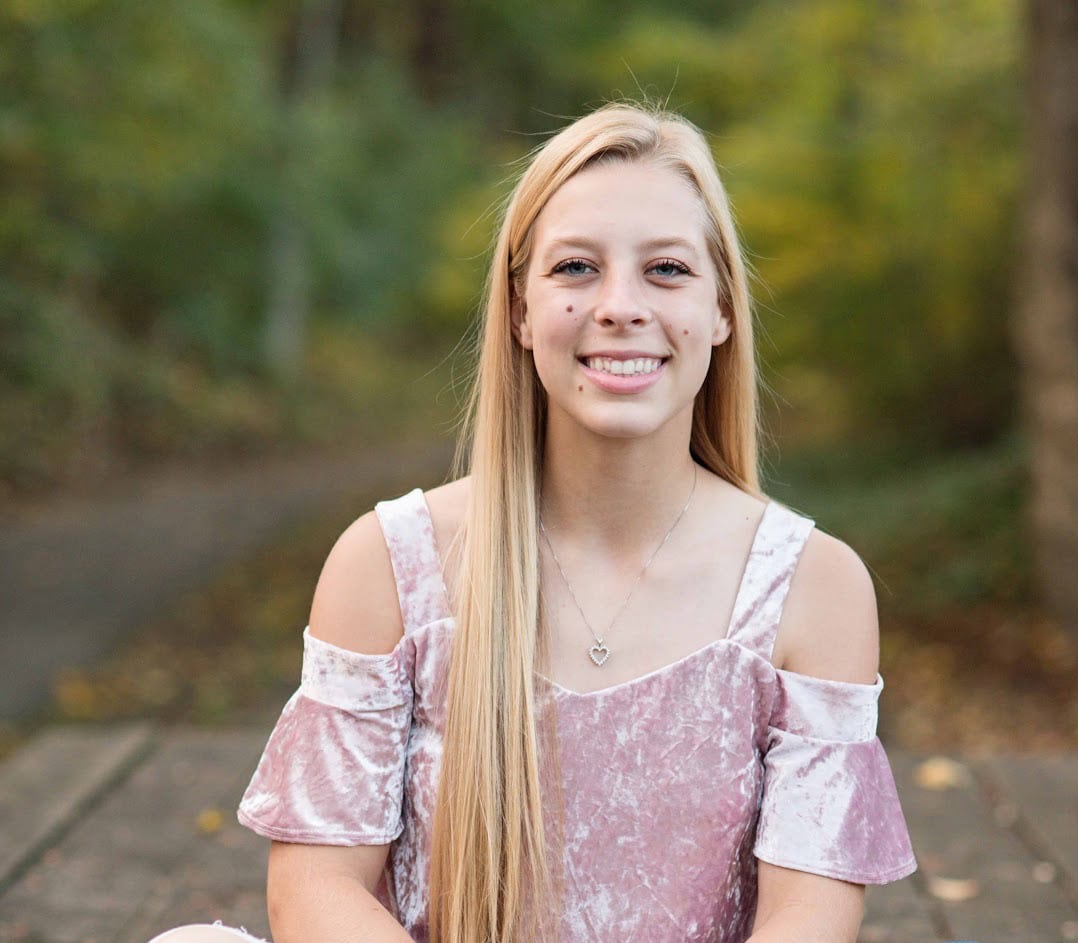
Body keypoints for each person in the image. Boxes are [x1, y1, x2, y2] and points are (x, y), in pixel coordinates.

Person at [148, 101, 916, 943]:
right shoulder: (391, 564)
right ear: (519, 310)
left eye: (666, 269)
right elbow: (314, 889)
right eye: (576, 267)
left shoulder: (813, 586)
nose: (620, 305)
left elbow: (810, 915)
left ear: (723, 310)